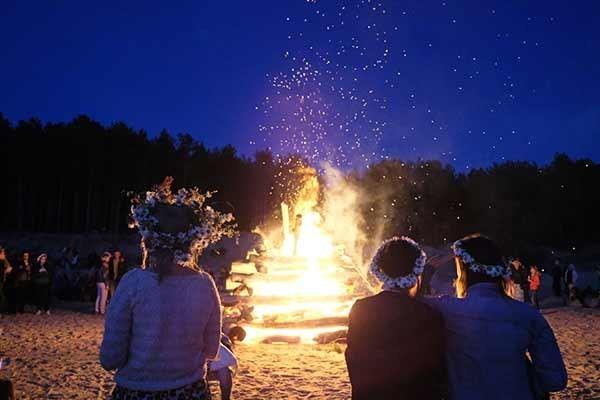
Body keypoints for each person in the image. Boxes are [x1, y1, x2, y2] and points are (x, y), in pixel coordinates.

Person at [100, 177, 234, 400]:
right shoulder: (204, 284)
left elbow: (110, 359)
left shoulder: (133, 283)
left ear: (148, 238)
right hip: (190, 393)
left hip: (136, 393)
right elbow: (212, 351)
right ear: (192, 241)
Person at [427, 234, 567, 399]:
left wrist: (429, 269)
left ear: (464, 271)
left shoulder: (445, 308)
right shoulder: (528, 315)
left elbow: (403, 299)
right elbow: (555, 380)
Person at [345, 236, 446, 400]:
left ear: (380, 271)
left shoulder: (361, 308)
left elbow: (354, 360)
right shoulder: (427, 314)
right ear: (416, 274)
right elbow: (434, 372)